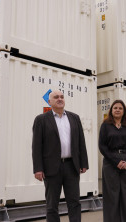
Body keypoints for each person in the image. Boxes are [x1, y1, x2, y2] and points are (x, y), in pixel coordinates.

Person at [32, 90, 89, 222]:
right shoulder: (41, 120)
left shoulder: (74, 118)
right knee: (52, 205)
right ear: (49, 101)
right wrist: (38, 168)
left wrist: (83, 163)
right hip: (51, 168)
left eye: (62, 97)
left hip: (71, 166)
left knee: (74, 203)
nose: (60, 99)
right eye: (56, 97)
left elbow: (81, 142)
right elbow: (36, 146)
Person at [99, 100, 126, 222]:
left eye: (120, 108)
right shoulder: (105, 126)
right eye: (115, 108)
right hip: (110, 163)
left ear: (124, 111)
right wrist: (116, 162)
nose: (117, 110)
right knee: (112, 196)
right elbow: (102, 146)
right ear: (111, 110)